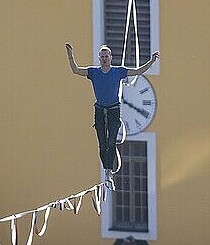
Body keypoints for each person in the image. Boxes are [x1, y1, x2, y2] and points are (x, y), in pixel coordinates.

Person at [65, 42, 159, 186]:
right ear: (99, 58)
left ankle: (109, 171)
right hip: (100, 110)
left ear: (111, 57)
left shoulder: (118, 71)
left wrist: (152, 61)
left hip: (114, 110)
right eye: (102, 56)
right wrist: (70, 56)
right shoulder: (94, 72)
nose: (104, 59)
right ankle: (106, 169)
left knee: (111, 142)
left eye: (106, 56)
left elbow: (138, 71)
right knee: (102, 143)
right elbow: (76, 70)